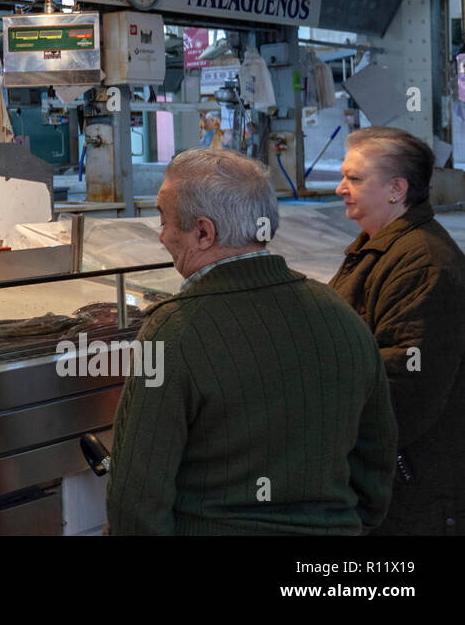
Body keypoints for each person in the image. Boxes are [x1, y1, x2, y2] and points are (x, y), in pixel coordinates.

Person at [107, 148, 395, 535]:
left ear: (204, 232)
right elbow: (376, 461)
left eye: (164, 221)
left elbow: (136, 500)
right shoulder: (340, 314)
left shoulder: (171, 331)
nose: (161, 237)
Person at [330, 126, 465, 535]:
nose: (340, 188)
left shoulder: (423, 264)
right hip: (384, 477)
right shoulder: (378, 247)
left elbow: (405, 384)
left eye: (354, 179)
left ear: (396, 189)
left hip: (411, 488)